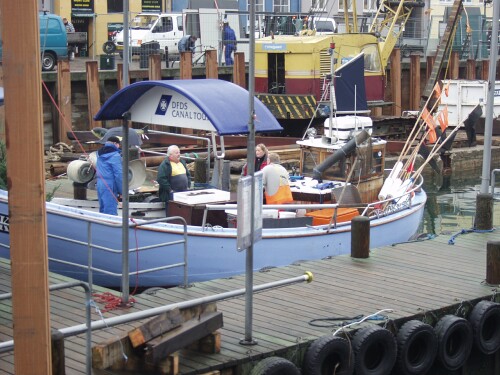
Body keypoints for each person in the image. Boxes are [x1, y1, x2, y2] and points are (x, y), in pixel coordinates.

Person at [157, 145, 192, 215]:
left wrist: (188, 185)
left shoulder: (182, 162)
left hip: (184, 193)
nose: (179, 154)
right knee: (172, 212)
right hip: (172, 195)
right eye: (176, 153)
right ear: (170, 155)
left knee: (183, 212)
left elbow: (188, 175)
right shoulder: (165, 165)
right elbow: (161, 178)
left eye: (179, 152)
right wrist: (170, 190)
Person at [96, 136, 123, 215]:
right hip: (109, 185)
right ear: (115, 144)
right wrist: (122, 191)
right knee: (110, 212)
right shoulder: (115, 156)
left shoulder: (99, 153)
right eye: (119, 144)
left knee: (103, 209)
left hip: (100, 183)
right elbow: (119, 175)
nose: (119, 146)